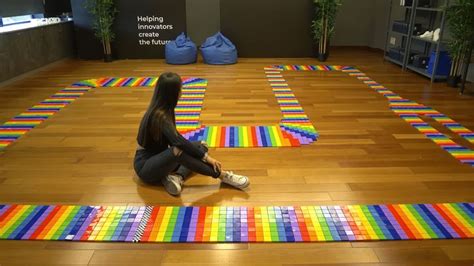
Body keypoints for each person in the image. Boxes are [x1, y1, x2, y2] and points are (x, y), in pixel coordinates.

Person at [134, 72, 250, 196]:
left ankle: (177, 177)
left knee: (201, 146)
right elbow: (178, 142)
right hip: (146, 167)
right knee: (179, 151)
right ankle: (222, 175)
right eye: (180, 88)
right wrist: (206, 158)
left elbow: (176, 139)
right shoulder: (160, 116)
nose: (182, 91)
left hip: (159, 157)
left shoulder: (165, 109)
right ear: (172, 93)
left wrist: (202, 154)